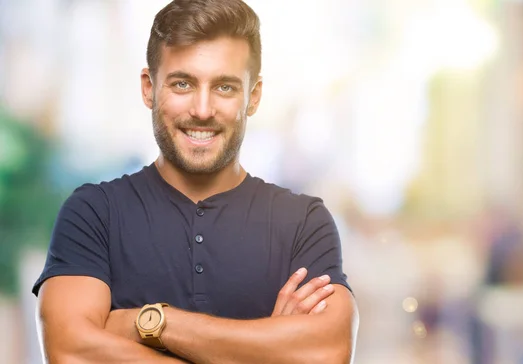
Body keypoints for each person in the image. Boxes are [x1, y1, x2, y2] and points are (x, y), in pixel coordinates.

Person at [32, 0, 359, 363]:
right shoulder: (94, 214)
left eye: (224, 87)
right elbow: (72, 351)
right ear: (148, 88)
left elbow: (328, 351)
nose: (202, 110)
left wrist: (151, 322)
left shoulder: (303, 223)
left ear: (253, 96)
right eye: (183, 83)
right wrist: (267, 348)